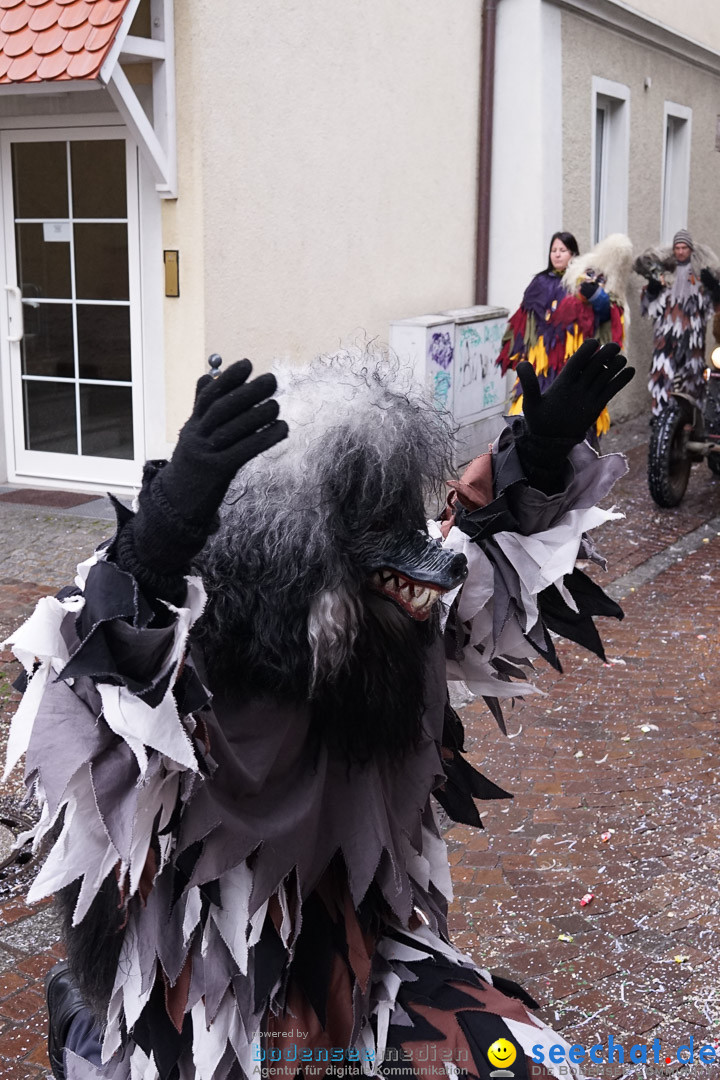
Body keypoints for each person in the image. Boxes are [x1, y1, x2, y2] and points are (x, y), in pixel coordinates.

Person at [4, 341, 633, 1080]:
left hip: (357, 950)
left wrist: (543, 451)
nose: (426, 556)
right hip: (205, 996)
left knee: (524, 1058)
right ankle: (83, 1033)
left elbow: (483, 574)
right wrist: (156, 545)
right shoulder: (201, 657)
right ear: (307, 562)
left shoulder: (386, 620)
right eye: (380, 532)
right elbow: (95, 696)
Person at [634, 228, 720, 416]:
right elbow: (647, 306)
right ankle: (661, 421)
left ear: (691, 250)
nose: (680, 251)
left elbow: (714, 307)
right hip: (665, 340)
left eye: (684, 247)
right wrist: (653, 290)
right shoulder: (666, 276)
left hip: (693, 341)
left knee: (692, 380)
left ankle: (689, 422)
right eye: (677, 248)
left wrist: (714, 288)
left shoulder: (700, 278)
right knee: (662, 378)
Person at [496, 231, 579, 391]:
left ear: (573, 253)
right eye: (554, 251)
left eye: (562, 251)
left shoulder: (580, 282)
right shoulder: (540, 281)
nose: (557, 255)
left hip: (570, 352)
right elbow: (523, 319)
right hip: (541, 354)